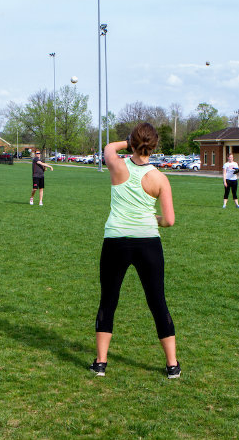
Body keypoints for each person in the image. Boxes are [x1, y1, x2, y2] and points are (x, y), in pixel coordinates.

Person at [90, 122, 180, 379]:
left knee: (108, 300)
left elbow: (108, 147)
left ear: (132, 141)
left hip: (115, 241)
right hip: (148, 243)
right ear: (154, 146)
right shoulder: (160, 178)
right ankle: (172, 365)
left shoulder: (116, 166)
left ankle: (100, 363)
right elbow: (170, 220)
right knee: (157, 302)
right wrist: (155, 220)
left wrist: (127, 142)